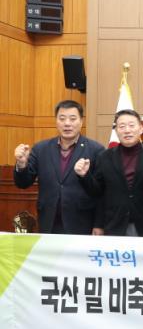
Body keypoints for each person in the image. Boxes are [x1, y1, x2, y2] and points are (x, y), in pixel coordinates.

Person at [13, 100, 104, 234]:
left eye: (72, 119)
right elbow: (23, 183)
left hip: (82, 223)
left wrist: (99, 224)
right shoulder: (41, 149)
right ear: (56, 121)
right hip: (49, 222)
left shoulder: (96, 150)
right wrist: (21, 164)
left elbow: (101, 191)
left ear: (81, 121)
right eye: (62, 118)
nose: (67, 123)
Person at [74, 109, 143, 236]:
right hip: (115, 225)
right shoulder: (105, 157)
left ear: (140, 129)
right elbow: (98, 193)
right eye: (122, 126)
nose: (127, 130)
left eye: (131, 125)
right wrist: (85, 176)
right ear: (116, 130)